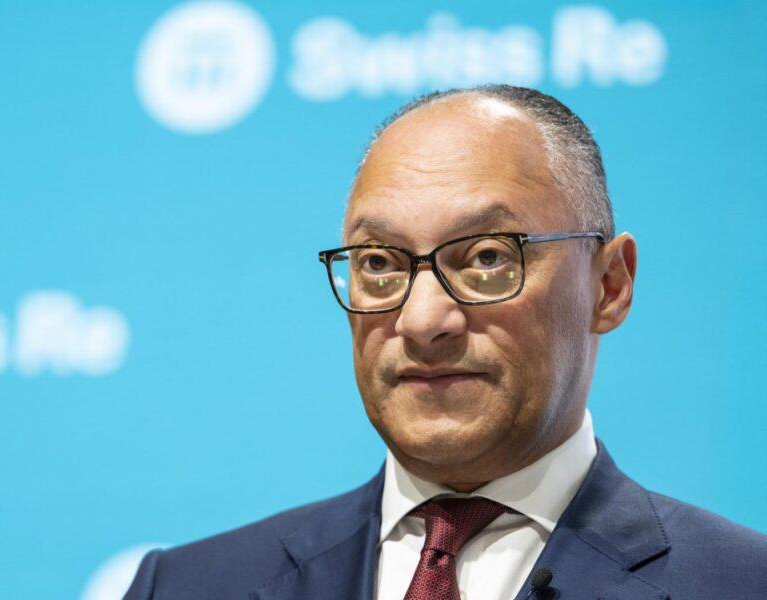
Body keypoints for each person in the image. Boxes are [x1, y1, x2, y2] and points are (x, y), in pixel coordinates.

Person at [124, 84, 767, 600]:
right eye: (379, 262)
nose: (422, 319)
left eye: (488, 256)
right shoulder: (185, 586)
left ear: (609, 286)